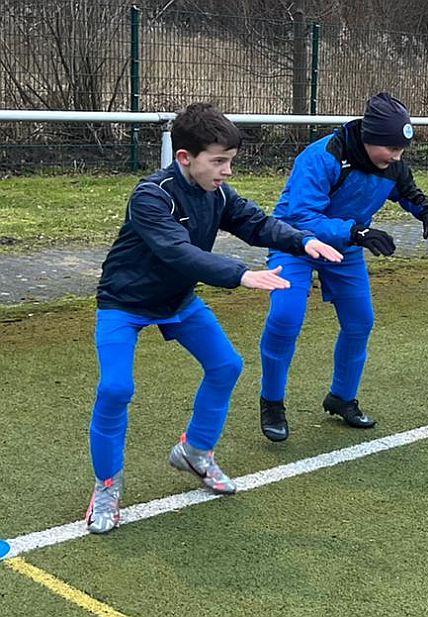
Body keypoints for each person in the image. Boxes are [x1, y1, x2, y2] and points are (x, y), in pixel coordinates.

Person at [85, 103, 343, 534]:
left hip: (177, 301)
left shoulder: (218, 194)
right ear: (185, 158)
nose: (227, 171)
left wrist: (304, 242)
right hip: (124, 303)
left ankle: (195, 452)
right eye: (218, 161)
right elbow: (177, 252)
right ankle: (107, 485)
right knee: (115, 388)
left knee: (227, 366)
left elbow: (257, 224)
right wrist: (241, 274)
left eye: (230, 161)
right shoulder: (152, 195)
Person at [257, 92, 428, 441]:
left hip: (347, 243)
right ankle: (272, 403)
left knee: (360, 321)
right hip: (295, 240)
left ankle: (342, 397)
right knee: (285, 318)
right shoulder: (322, 157)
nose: (397, 157)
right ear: (370, 139)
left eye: (401, 150)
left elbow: (408, 191)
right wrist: (356, 231)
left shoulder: (392, 163)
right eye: (392, 149)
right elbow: (303, 215)